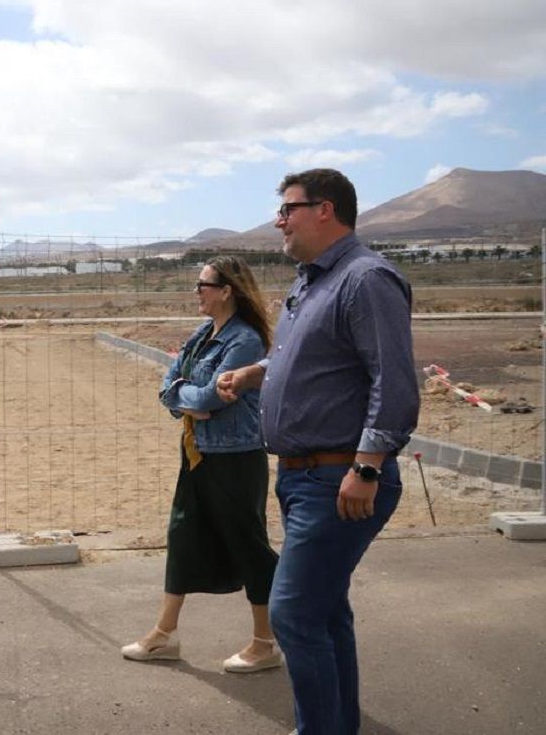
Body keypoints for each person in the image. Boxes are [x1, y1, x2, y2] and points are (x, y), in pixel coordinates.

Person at [216, 169, 419, 735]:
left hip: (341, 477)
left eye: (288, 209)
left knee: (294, 614)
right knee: (325, 613)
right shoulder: (311, 282)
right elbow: (305, 364)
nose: (279, 220)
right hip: (304, 478)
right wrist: (255, 373)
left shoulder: (366, 278)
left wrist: (367, 465)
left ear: (324, 210)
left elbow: (394, 384)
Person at [121, 255, 282, 673]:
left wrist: (189, 397)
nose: (197, 291)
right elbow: (169, 385)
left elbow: (211, 396)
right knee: (183, 534)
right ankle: (163, 635)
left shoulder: (243, 340)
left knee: (249, 545)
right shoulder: (203, 334)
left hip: (234, 457)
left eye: (203, 285)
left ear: (226, 291)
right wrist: (185, 396)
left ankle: (265, 644)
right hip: (197, 453)